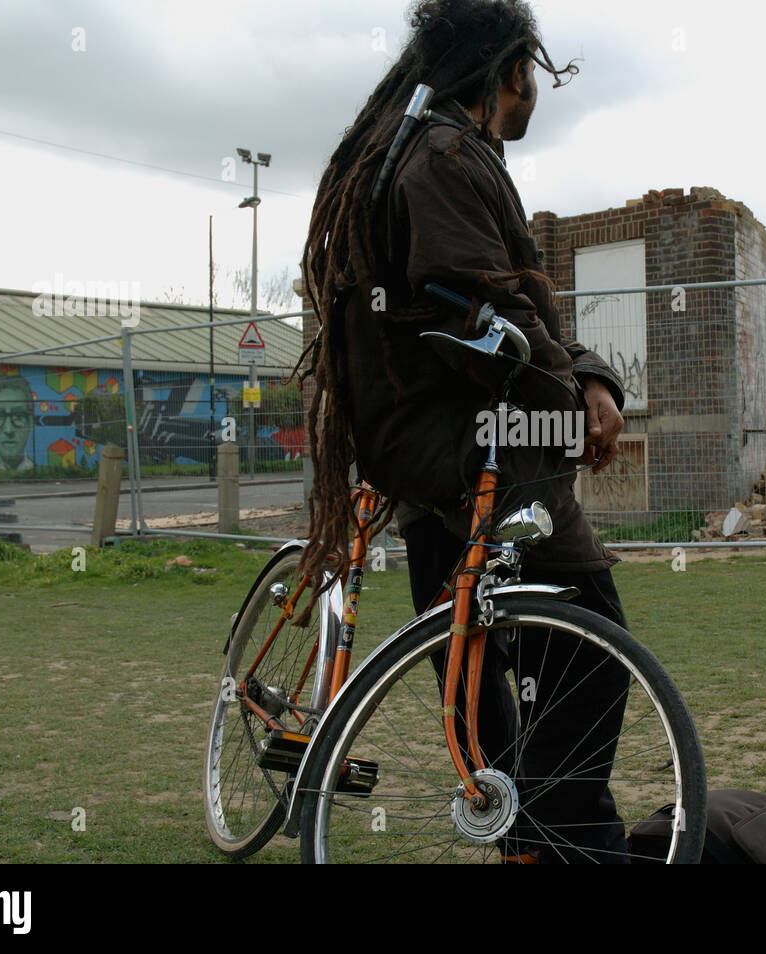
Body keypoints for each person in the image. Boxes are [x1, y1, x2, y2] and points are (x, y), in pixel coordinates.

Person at [298, 0, 630, 862]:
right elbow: (479, 305)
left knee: (474, 669)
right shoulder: (445, 155)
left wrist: (587, 371)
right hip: (472, 446)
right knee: (593, 653)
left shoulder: (418, 144)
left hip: (429, 451)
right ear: (510, 70)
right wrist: (569, 401)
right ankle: (571, 845)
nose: (536, 94)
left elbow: (509, 300)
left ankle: (537, 842)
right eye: (535, 75)